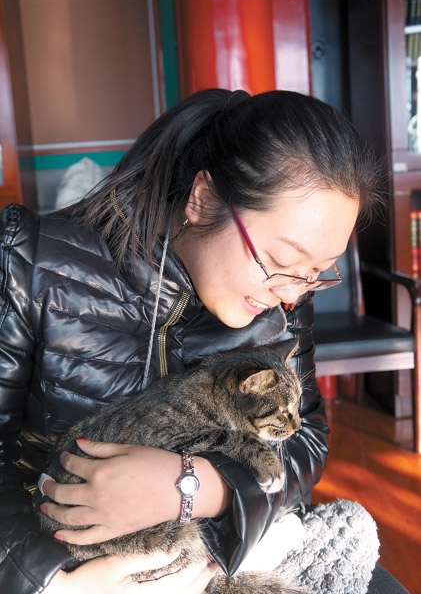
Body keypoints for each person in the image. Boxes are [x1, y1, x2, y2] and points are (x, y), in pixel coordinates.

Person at [0, 88, 384, 593]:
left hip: (217, 555)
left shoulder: (284, 294)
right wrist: (49, 582)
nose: (290, 295)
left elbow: (306, 440)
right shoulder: (28, 264)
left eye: (315, 273)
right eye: (281, 263)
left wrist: (195, 487)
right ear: (203, 199)